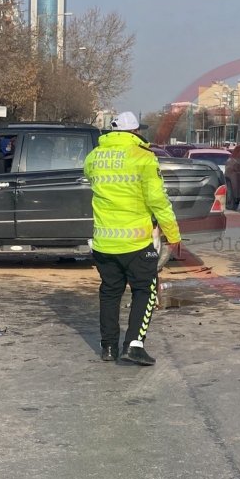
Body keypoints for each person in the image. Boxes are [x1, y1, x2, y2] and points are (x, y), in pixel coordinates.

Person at [84, 111, 181, 367]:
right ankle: (134, 345)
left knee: (110, 291)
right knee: (146, 290)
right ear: (134, 132)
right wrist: (173, 234)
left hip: (104, 241)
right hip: (136, 241)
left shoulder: (94, 156)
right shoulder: (143, 157)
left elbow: (93, 181)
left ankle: (107, 347)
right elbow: (158, 201)